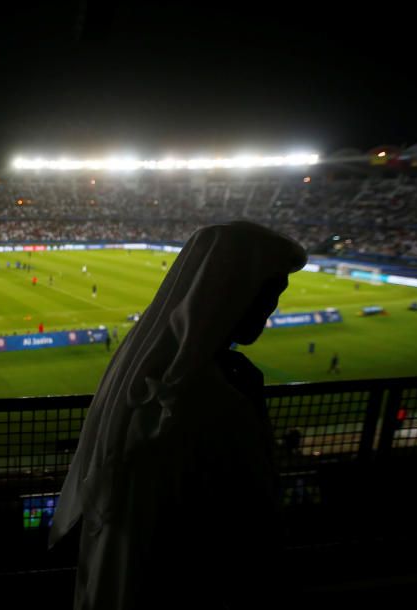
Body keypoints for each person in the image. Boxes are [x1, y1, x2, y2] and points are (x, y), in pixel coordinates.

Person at [51, 221, 307, 610]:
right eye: (269, 292)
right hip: (177, 578)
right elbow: (238, 507)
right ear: (231, 291)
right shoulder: (195, 391)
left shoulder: (143, 367)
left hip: (128, 566)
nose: (272, 308)